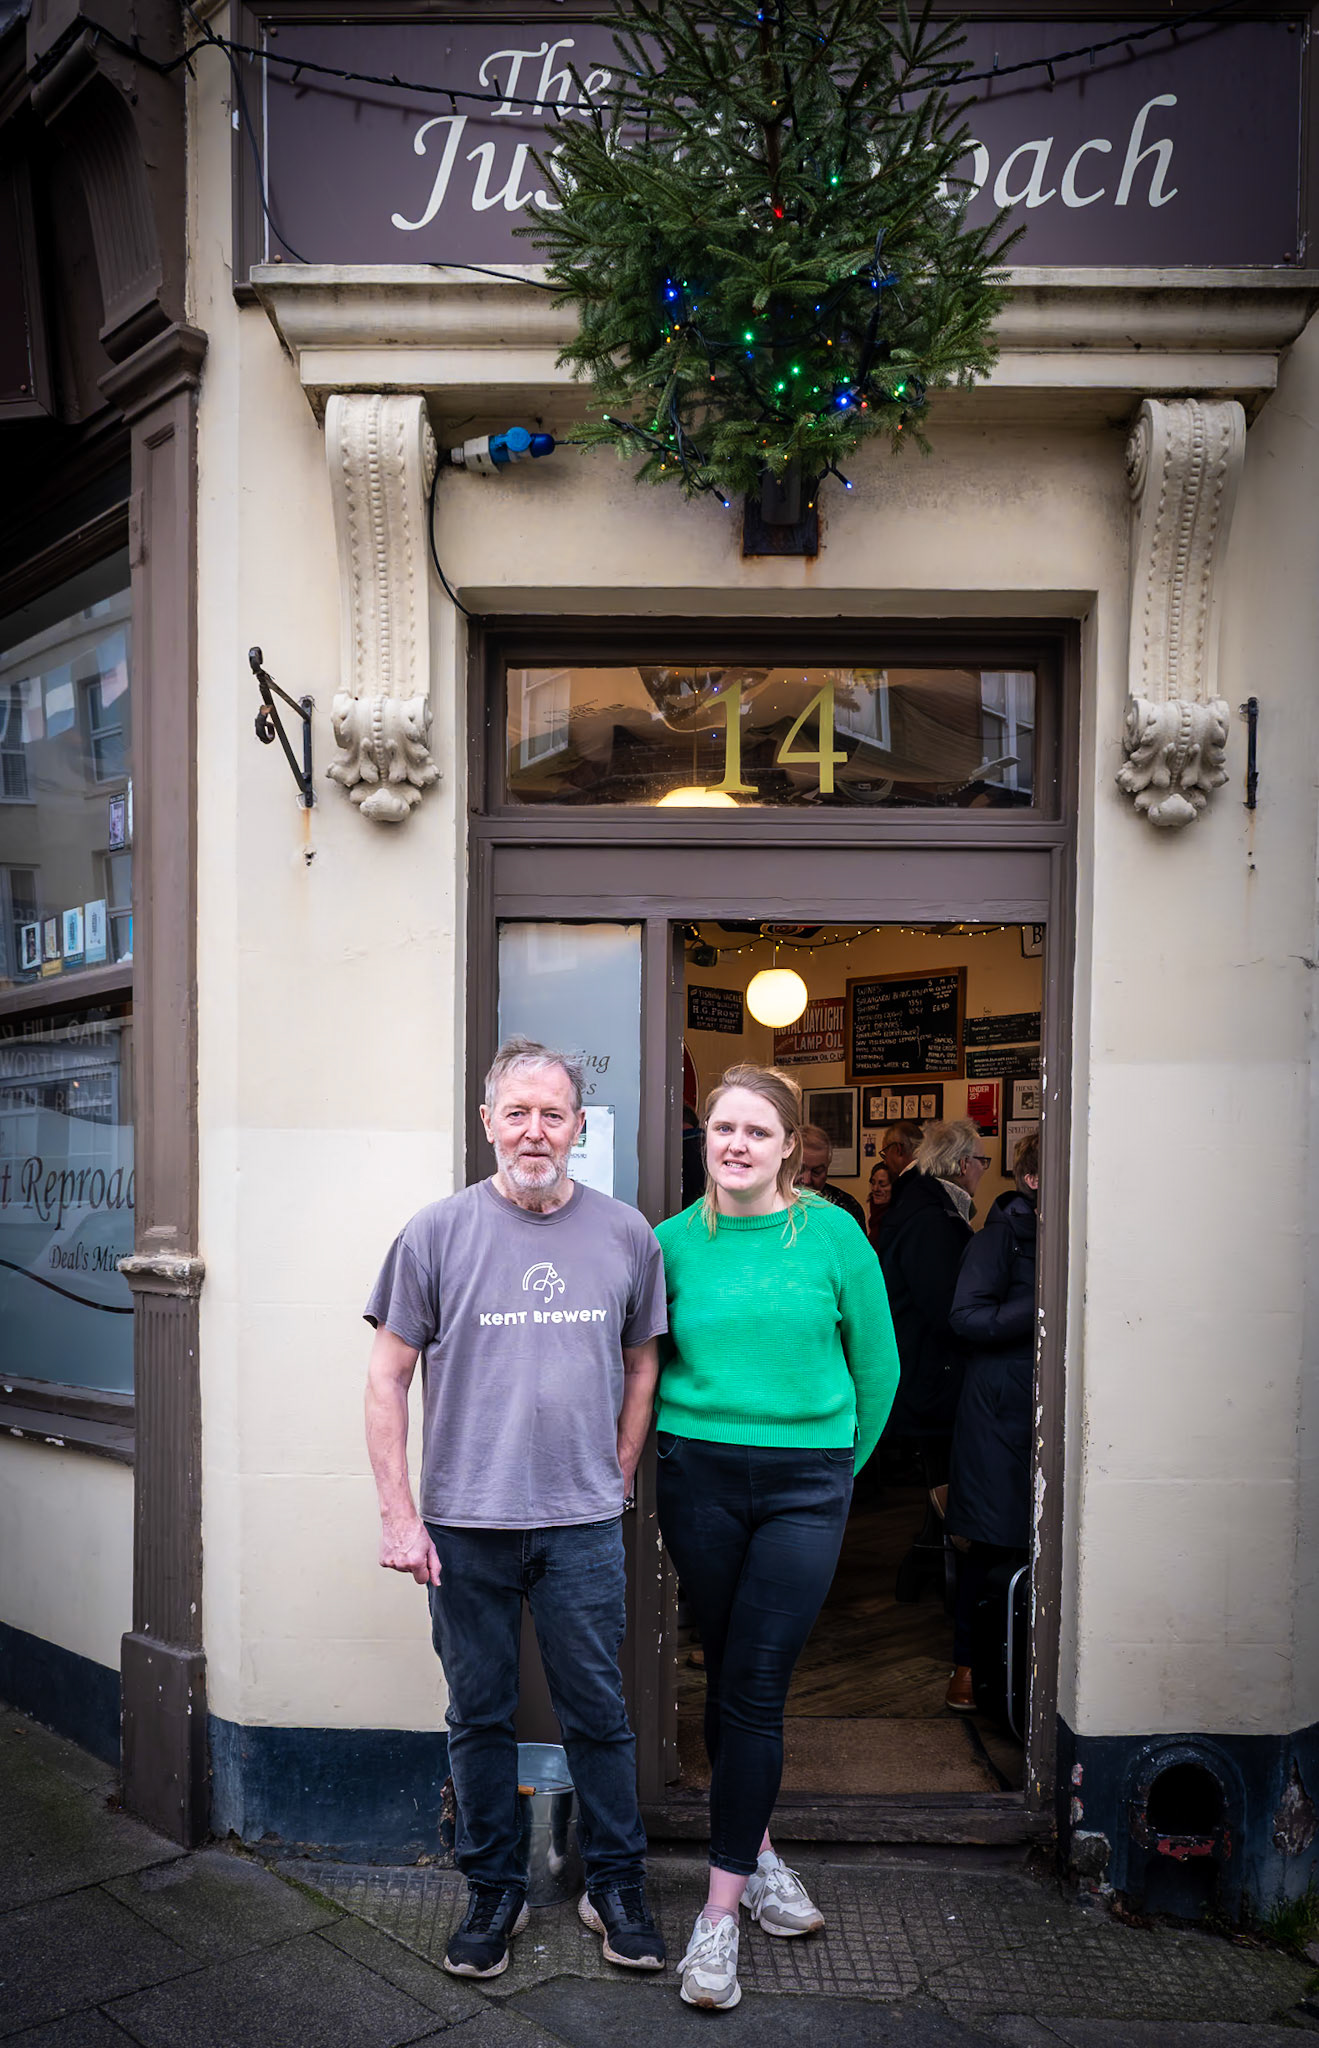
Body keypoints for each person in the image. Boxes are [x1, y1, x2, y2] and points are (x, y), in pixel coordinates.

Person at [363, 1036, 668, 1981]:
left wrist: (617, 1468)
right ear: (487, 1123)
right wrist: (398, 1517)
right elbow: (386, 1378)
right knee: (479, 1715)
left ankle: (613, 1883)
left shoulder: (627, 1235)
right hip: (464, 1526)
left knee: (598, 1715)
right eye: (517, 1112)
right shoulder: (434, 1234)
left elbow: (641, 1362)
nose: (535, 1130)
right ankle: (492, 1891)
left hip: (579, 1524)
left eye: (554, 1113)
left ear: (580, 1127)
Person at [653, 1064, 899, 2011]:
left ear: (791, 1144)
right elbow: (647, 1365)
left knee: (756, 1684)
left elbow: (876, 1369)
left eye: (758, 1130)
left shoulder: (835, 1234)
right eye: (723, 1128)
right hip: (699, 1477)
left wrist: (836, 1469)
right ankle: (754, 1855)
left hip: (806, 1485)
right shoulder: (671, 1243)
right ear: (704, 1138)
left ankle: (714, 1919)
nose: (737, 1145)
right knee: (725, 1671)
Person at [943, 1129, 1040, 1713]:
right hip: (998, 1413)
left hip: (1038, 1412)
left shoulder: (1073, 1238)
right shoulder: (999, 1238)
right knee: (994, 1544)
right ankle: (967, 1668)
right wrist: (1043, 1302)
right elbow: (966, 1317)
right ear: (1033, 1180)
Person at [877, 1119, 989, 1448]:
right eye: (983, 1162)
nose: (984, 1170)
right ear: (964, 1165)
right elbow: (945, 1309)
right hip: (927, 1376)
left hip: (920, 1368)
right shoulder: (932, 1219)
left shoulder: (927, 1205)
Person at [794, 1122, 866, 1227]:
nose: (806, 1180)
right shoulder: (767, 1204)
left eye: (816, 1172)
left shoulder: (846, 1208)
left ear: (827, 1169)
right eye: (799, 1169)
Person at [866, 1161, 894, 1248]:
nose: (875, 1188)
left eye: (882, 1184)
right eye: (873, 1183)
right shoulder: (873, 1211)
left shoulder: (895, 1218)